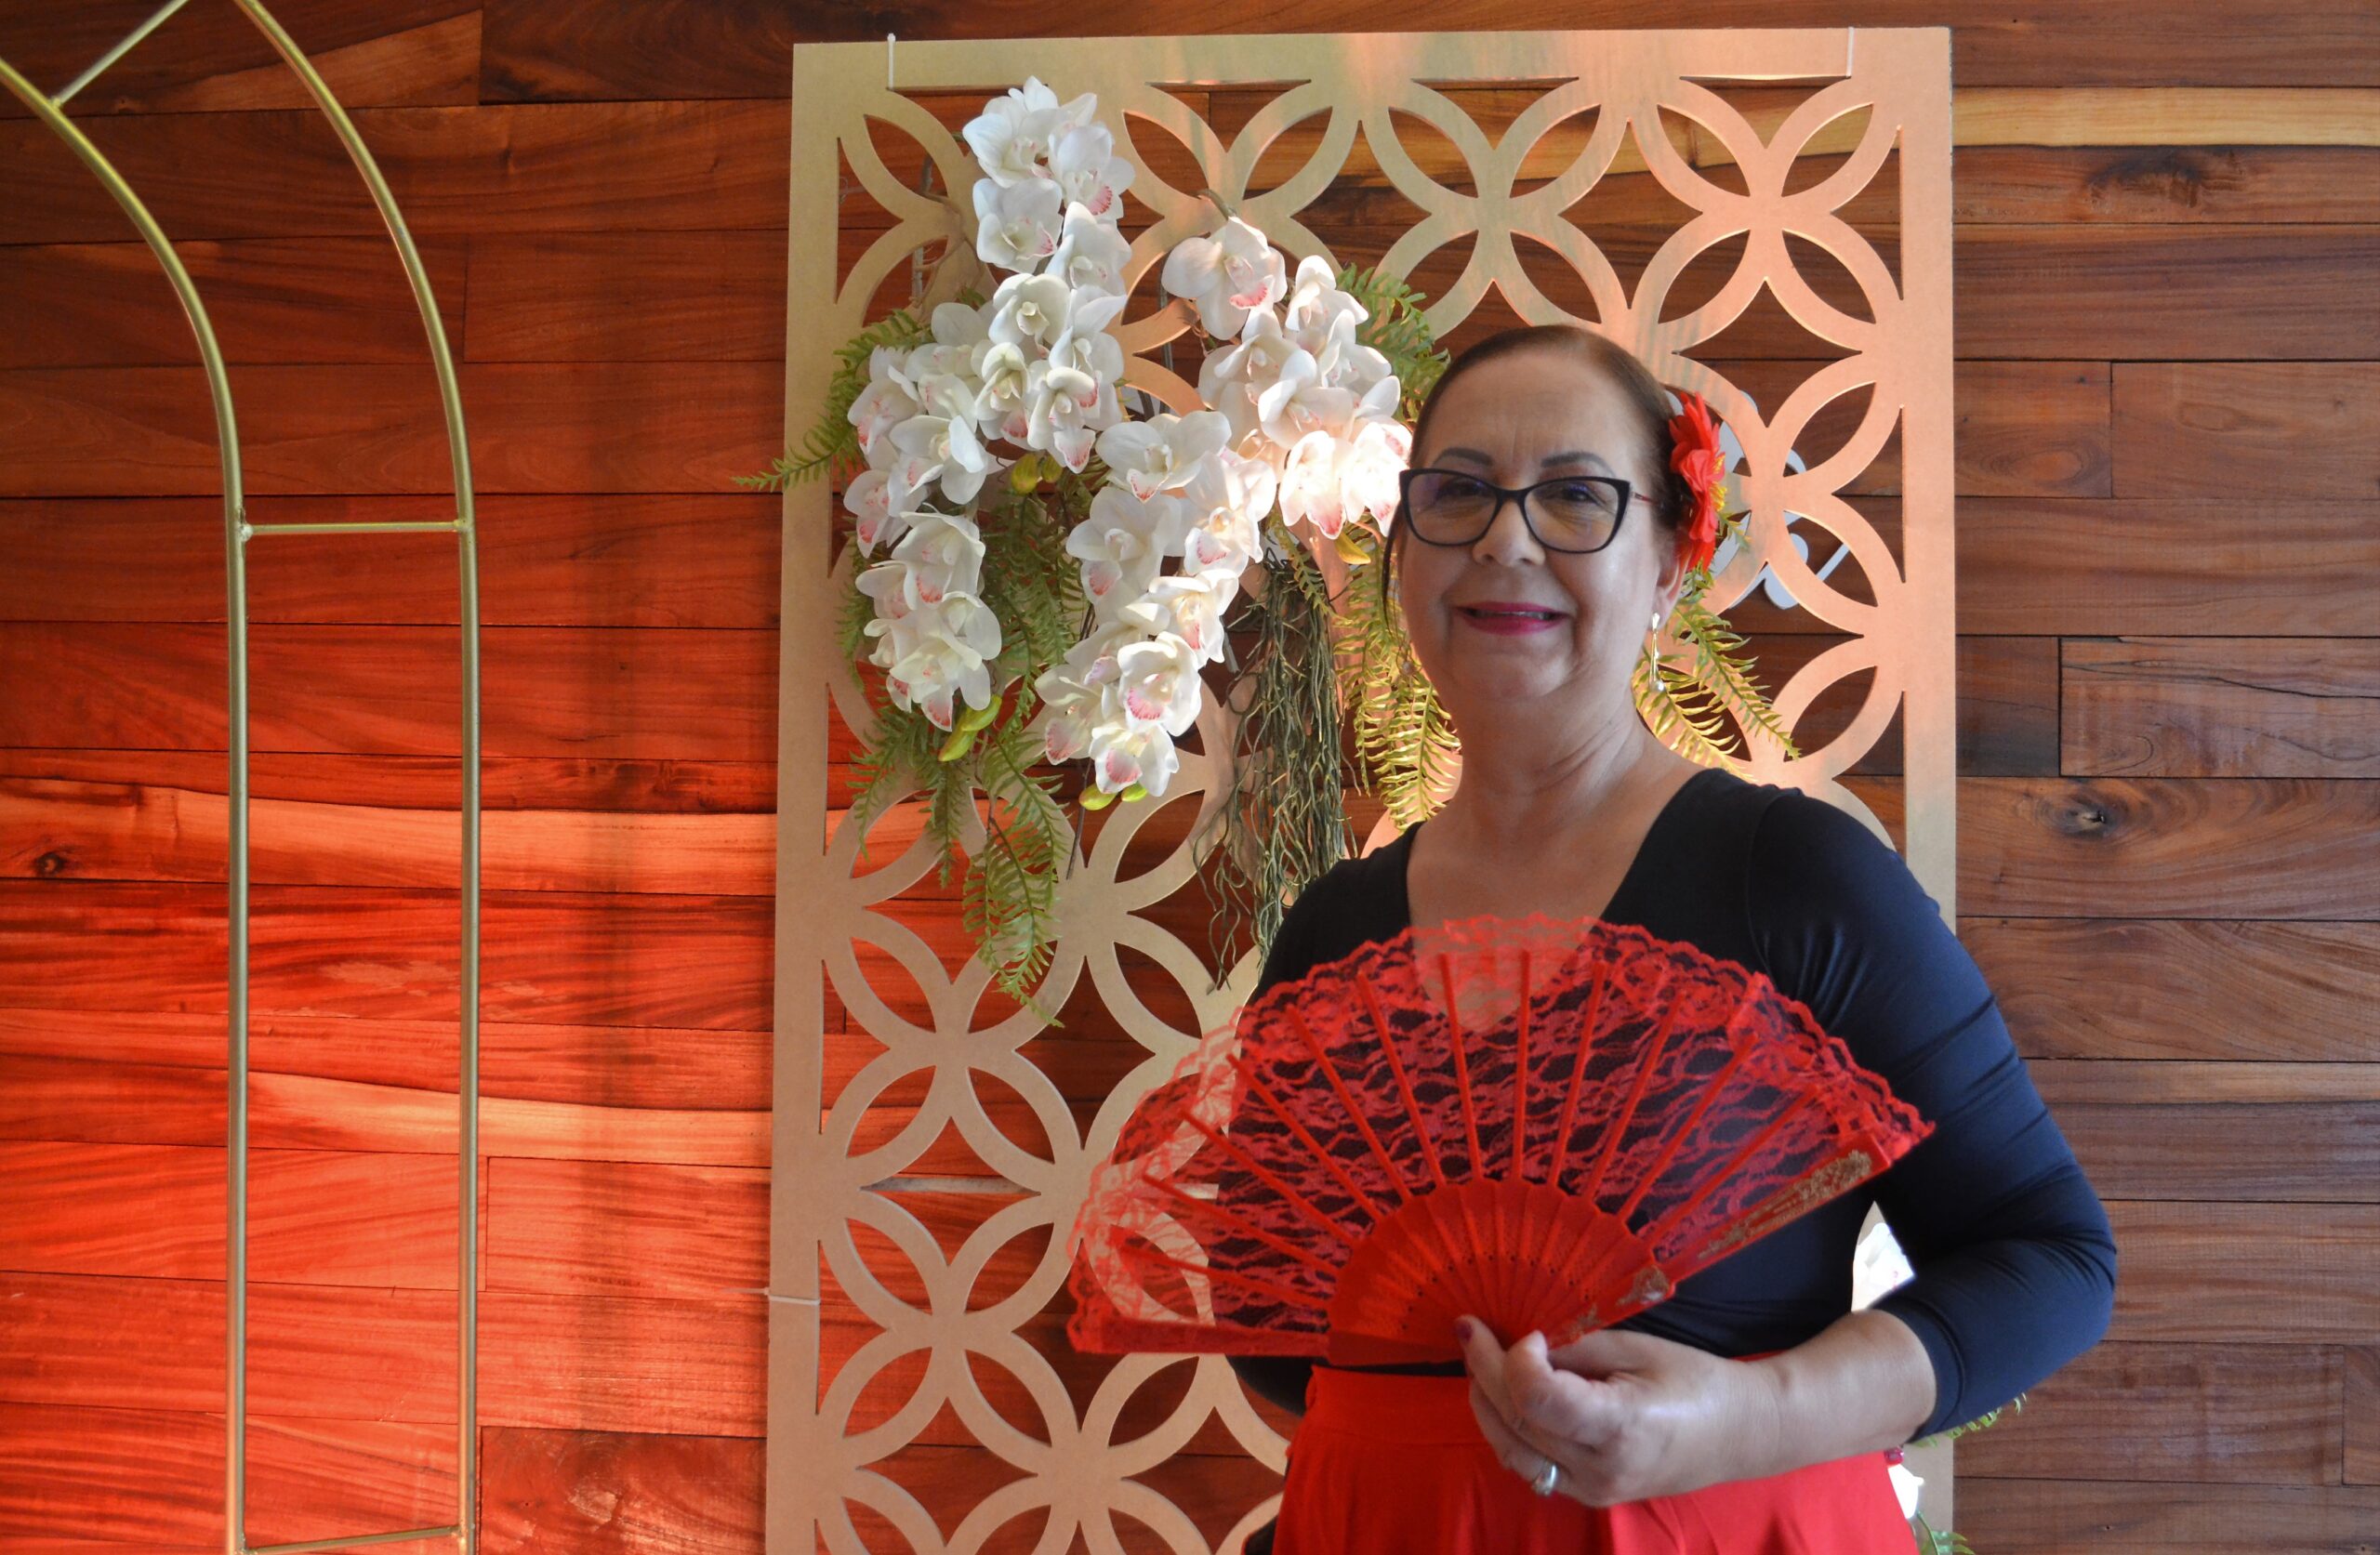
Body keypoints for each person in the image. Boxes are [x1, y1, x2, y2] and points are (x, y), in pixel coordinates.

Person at [1225, 324, 2116, 1553]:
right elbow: (1276, 1339)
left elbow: (2053, 1258)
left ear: (1665, 567)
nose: (1504, 540)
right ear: (1404, 556)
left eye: (1575, 496)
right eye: (1458, 491)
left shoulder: (1795, 880)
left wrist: (1747, 1417)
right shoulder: (1332, 931)